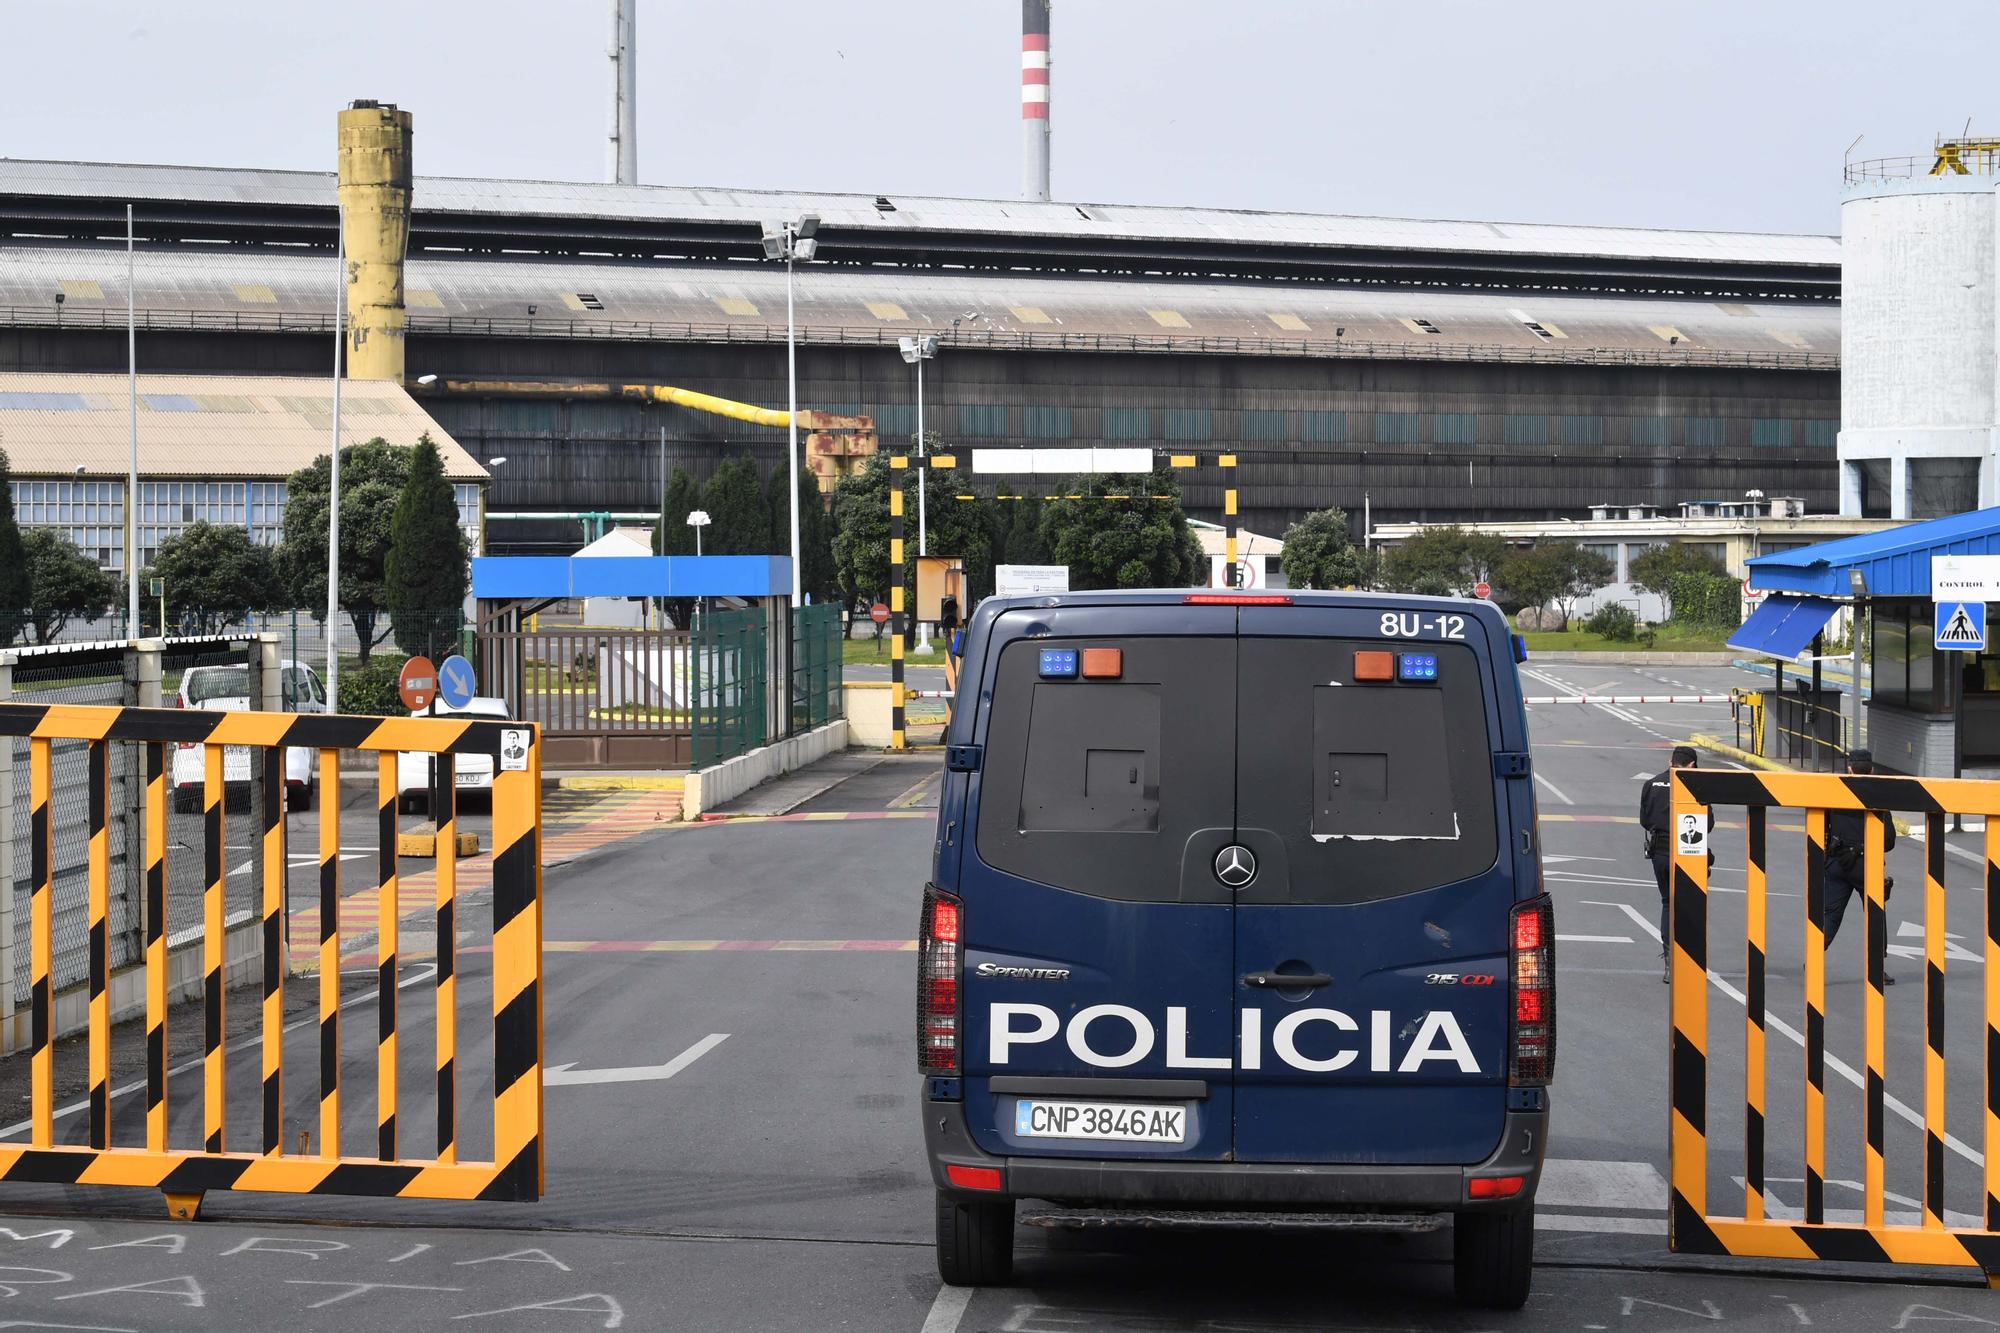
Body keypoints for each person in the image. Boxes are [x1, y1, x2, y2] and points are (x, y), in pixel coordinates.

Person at [1821, 749, 1896, 983]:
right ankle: (1877, 970)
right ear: (1872, 770)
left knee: (1830, 915)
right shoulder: (1880, 797)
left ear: (1849, 769)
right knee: (1875, 916)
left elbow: (1821, 829)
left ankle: (1813, 959)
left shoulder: (1832, 793)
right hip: (1868, 865)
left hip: (1837, 864)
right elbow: (1889, 840)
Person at [1640, 746, 1708, 984]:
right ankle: (1692, 963)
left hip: (1659, 853)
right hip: (1688, 854)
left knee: (1668, 903)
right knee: (1691, 906)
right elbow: (1707, 824)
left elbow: (1644, 821)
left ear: (1670, 761)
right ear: (1691, 765)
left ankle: (1670, 964)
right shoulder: (1696, 785)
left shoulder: (1651, 784)